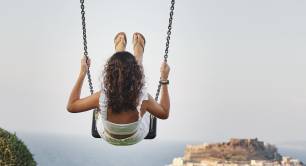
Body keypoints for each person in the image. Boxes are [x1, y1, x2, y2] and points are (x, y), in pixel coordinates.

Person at [66, 32, 170, 145]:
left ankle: (120, 56)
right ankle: (137, 57)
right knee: (139, 93)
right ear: (138, 74)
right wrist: (164, 80)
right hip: (135, 137)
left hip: (107, 135)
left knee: (121, 97)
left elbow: (71, 106)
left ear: (109, 72)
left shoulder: (101, 97)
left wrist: (82, 73)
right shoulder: (143, 98)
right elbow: (164, 113)